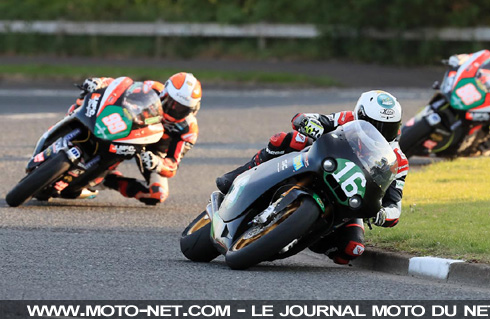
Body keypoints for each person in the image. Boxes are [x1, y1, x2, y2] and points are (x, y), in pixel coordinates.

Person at [216, 90, 409, 265]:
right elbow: (311, 119)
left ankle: (304, 233)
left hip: (346, 200)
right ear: (359, 115)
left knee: (352, 248)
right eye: (373, 125)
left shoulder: (397, 160)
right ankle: (239, 174)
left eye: (388, 127)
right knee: (288, 138)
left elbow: (394, 205)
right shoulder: (347, 118)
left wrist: (383, 214)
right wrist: (307, 123)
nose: (379, 132)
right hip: (317, 163)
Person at [71, 73, 202, 205]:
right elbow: (122, 87)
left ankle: (107, 180)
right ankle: (69, 124)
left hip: (151, 152)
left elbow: (173, 164)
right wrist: (101, 82)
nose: (173, 109)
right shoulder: (153, 88)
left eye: (181, 109)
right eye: (171, 102)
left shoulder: (188, 129)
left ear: (192, 110)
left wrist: (158, 163)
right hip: (131, 127)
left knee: (157, 193)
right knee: (87, 98)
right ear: (165, 93)